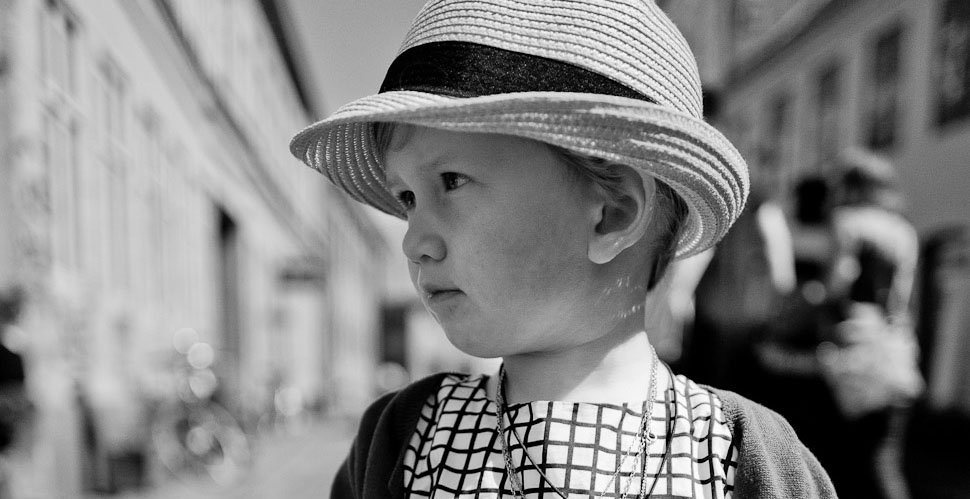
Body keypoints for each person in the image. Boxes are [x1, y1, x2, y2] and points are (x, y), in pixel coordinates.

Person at [289, 1, 836, 497]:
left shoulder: (739, 456)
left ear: (612, 213)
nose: (414, 241)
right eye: (407, 197)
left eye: (452, 181)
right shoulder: (405, 435)